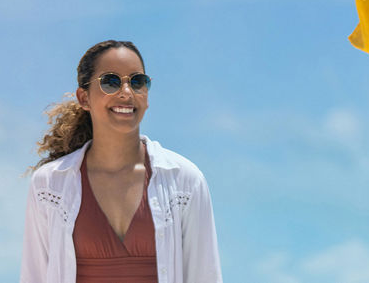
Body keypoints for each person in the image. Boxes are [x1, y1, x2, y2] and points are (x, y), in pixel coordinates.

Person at [21, 40, 221, 283]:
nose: (126, 92)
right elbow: (34, 276)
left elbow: (205, 275)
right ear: (84, 98)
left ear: (147, 95)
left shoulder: (185, 181)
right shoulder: (49, 185)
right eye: (111, 82)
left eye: (137, 82)